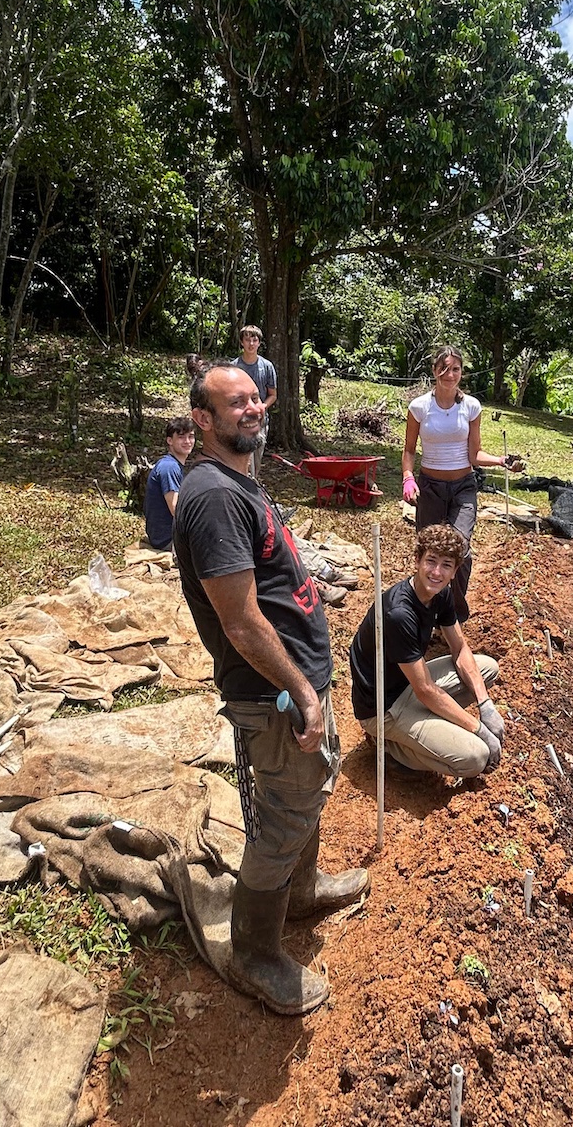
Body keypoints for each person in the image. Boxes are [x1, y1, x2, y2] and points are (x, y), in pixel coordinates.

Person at [172, 361, 368, 1015]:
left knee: (307, 791)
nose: (253, 410)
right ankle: (254, 952)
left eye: (257, 399)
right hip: (272, 693)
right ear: (203, 419)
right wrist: (302, 690)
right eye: (236, 404)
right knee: (280, 821)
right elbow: (241, 621)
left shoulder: (238, 481)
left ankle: (303, 889)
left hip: (298, 678)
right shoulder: (215, 497)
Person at [349, 524, 505, 778]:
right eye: (430, 561)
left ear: (455, 571)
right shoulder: (398, 613)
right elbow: (425, 690)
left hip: (408, 685)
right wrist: (478, 729)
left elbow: (459, 648)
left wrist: (485, 704)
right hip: (384, 707)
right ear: (417, 561)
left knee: (487, 668)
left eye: (446, 565)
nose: (436, 572)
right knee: (476, 758)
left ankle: (432, 728)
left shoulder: (440, 594)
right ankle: (389, 746)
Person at [401, 345, 523, 621]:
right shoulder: (420, 407)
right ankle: (423, 609)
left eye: (455, 369)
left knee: (460, 549)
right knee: (429, 551)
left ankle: (452, 611)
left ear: (461, 373)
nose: (449, 374)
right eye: (444, 368)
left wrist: (502, 461)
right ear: (434, 371)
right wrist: (408, 478)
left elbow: (474, 454)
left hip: (463, 486)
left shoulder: (470, 406)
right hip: (430, 487)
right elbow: (409, 449)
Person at [143, 416, 196, 551]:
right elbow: (176, 510)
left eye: (191, 436)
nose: (187, 441)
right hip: (167, 539)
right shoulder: (169, 467)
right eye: (181, 437)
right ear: (169, 440)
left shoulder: (174, 465)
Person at [232, 325, 277, 467]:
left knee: (256, 462)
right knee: (243, 460)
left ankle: (253, 486)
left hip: (260, 420)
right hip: (239, 420)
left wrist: (261, 407)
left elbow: (273, 395)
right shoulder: (234, 367)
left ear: (259, 343)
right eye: (247, 340)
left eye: (254, 340)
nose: (251, 344)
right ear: (241, 342)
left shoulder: (267, 366)